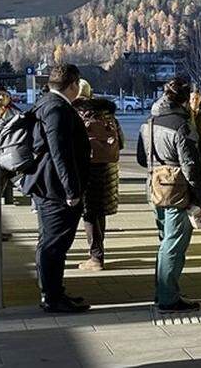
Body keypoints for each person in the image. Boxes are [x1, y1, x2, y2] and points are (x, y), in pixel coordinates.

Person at [18, 64, 91, 314]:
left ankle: (54, 292)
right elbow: (60, 153)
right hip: (55, 190)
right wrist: (72, 191)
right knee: (54, 244)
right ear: (72, 84)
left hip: (48, 186)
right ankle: (52, 296)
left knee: (50, 242)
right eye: (78, 84)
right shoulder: (57, 109)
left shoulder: (45, 102)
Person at [138, 77, 201, 313]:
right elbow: (190, 165)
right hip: (177, 191)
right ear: (184, 100)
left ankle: (162, 292)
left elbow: (141, 158)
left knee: (164, 241)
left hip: (154, 187)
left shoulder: (149, 122)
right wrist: (200, 198)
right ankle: (168, 297)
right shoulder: (181, 125)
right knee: (174, 243)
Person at [72, 80, 123, 271]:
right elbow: (122, 141)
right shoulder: (107, 114)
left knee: (89, 214)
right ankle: (98, 253)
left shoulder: (76, 114)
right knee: (99, 213)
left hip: (86, 168)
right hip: (108, 169)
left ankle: (95, 257)